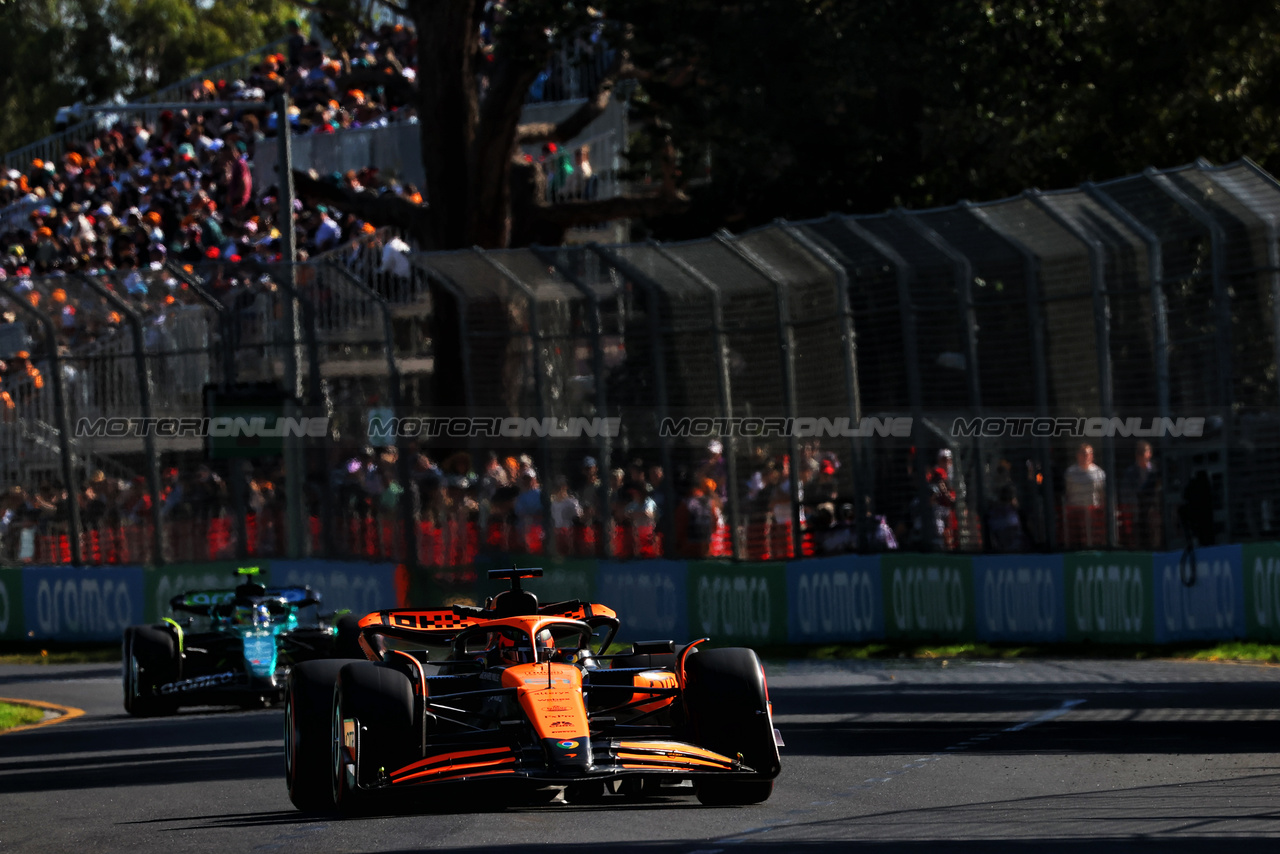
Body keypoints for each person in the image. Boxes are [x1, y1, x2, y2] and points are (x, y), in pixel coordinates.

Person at [1119, 440, 1162, 549]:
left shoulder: (1156, 471)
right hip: (1137, 511)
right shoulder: (1130, 473)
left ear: (1150, 454)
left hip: (1153, 509)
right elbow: (1126, 492)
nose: (1144, 455)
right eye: (1141, 452)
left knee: (1155, 532)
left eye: (1146, 452)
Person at [1063, 443, 1106, 547]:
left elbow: (1102, 493)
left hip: (1093, 512)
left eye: (1089, 453)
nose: (1086, 456)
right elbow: (1067, 492)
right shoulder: (1070, 473)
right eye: (1083, 453)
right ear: (1078, 455)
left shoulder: (1098, 472)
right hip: (1075, 512)